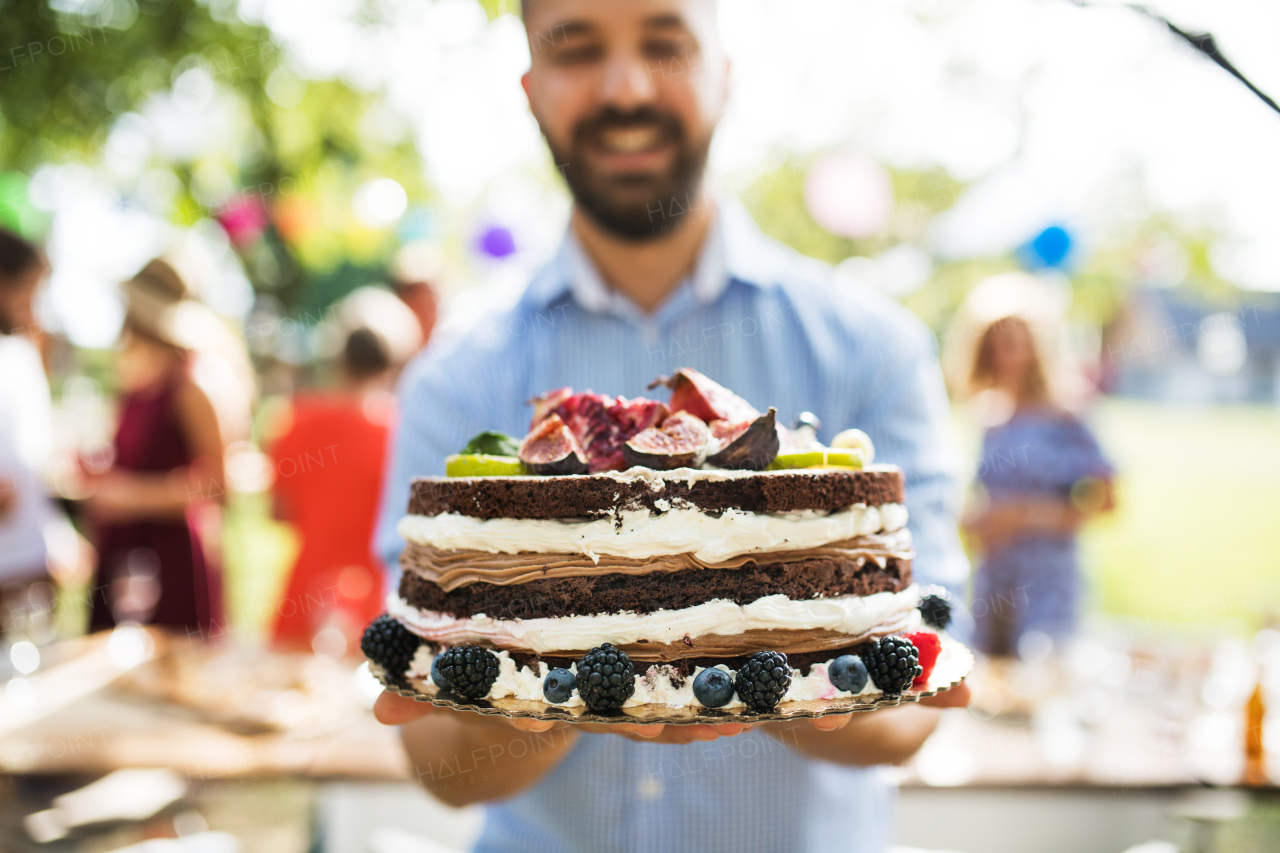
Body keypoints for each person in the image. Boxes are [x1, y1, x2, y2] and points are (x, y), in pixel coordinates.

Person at [372, 2, 970, 850]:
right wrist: (579, 676)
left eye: (665, 43)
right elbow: (435, 756)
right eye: (577, 48)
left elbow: (919, 699)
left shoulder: (873, 349)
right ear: (532, 89)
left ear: (724, 74)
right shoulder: (455, 378)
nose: (626, 87)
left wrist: (756, 652)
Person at [267, 295, 420, 653]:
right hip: (374, 597)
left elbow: (278, 511)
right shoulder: (399, 430)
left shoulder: (295, 419)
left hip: (304, 592)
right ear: (390, 364)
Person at [86, 259, 228, 636]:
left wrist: (131, 497)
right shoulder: (138, 382)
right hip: (128, 555)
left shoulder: (190, 387)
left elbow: (216, 484)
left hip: (171, 557)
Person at [962, 314, 1115, 656]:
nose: (1008, 357)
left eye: (1017, 345)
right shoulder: (990, 415)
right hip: (994, 581)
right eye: (997, 346)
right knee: (992, 687)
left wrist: (1020, 516)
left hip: (1047, 580)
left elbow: (1106, 502)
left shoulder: (1066, 415)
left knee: (1042, 677)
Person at [0, 228, 58, 641]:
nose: (32, 304)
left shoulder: (22, 353)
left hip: (28, 559)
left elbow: (33, 451)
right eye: (28, 288)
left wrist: (58, 531)